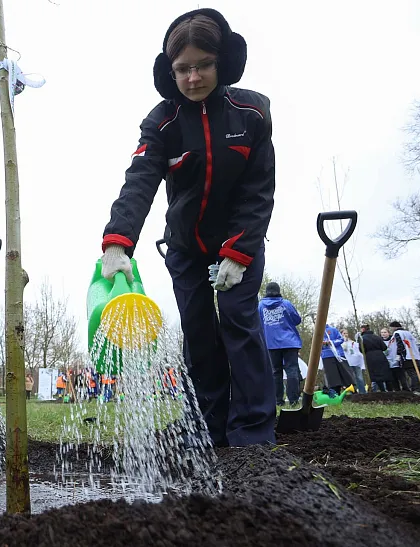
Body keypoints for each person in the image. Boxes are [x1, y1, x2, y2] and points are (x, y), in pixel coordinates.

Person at [100, 9, 276, 446]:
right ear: (169, 71)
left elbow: (258, 191)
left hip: (239, 243)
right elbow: (139, 179)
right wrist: (118, 241)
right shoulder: (162, 122)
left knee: (239, 322)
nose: (193, 78)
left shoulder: (251, 114)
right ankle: (207, 426)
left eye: (203, 66)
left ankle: (253, 430)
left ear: (223, 63)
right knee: (198, 333)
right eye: (183, 68)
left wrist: (238, 252)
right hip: (185, 247)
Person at [258, 282, 302, 406]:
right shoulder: (286, 304)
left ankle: (278, 401)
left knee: (275, 372)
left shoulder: (260, 306)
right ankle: (293, 400)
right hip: (290, 342)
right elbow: (297, 320)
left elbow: (259, 324)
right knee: (292, 370)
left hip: (271, 344)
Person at [388, 321, 420, 394]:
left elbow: (400, 345)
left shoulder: (398, 333)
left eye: (391, 328)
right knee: (414, 372)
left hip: (407, 356)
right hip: (414, 355)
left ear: (394, 327)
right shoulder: (408, 333)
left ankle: (416, 389)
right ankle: (416, 388)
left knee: (411, 373)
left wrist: (398, 354)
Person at [320, 324, 353, 395]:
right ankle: (335, 393)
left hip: (339, 355)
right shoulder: (317, 332)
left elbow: (341, 339)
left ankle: (352, 390)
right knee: (332, 376)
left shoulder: (333, 329)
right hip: (326, 356)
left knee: (346, 373)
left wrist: (331, 342)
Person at [360, 325, 393, 392]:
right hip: (380, 356)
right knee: (385, 373)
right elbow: (384, 347)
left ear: (363, 329)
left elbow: (361, 350)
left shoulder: (362, 338)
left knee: (375, 375)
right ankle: (390, 390)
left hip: (370, 357)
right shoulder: (377, 337)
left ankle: (382, 390)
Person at [341, 329, 367, 394]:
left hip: (355, 362)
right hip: (347, 363)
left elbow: (357, 350)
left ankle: (362, 392)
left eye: (346, 333)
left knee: (359, 377)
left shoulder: (352, 342)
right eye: (344, 333)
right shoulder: (340, 342)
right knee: (351, 378)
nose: (345, 335)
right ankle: (353, 392)